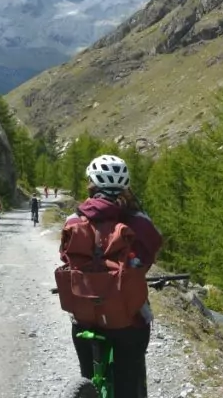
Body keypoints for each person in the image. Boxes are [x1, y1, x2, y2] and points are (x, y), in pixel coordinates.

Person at [63, 154, 162, 398]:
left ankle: (88, 388)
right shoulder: (139, 221)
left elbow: (66, 259)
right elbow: (149, 259)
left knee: (88, 375)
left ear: (91, 184)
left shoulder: (74, 220)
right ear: (126, 186)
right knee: (130, 378)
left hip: (85, 317)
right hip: (129, 321)